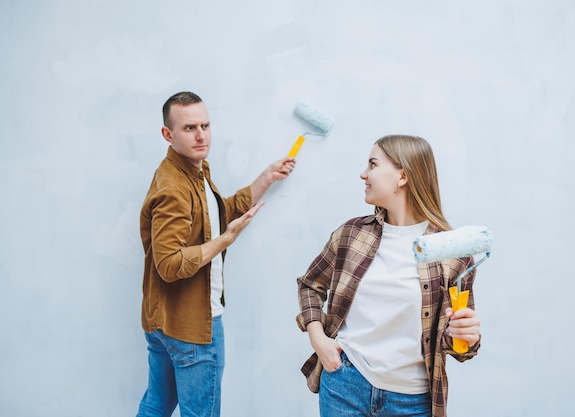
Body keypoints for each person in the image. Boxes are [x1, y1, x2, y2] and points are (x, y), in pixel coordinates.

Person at [296, 135, 481, 417]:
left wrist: (466, 336)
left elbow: (458, 348)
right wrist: (318, 339)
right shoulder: (351, 234)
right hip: (345, 386)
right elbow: (310, 284)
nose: (363, 174)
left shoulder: (452, 253)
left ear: (402, 176)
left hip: (411, 402)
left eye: (372, 164)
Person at [137, 91, 296, 417]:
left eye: (205, 125)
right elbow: (169, 265)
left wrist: (266, 177)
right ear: (168, 134)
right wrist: (226, 240)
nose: (201, 136)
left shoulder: (193, 171)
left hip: (164, 322)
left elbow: (218, 213)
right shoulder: (174, 187)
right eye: (189, 128)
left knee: (156, 406)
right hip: (190, 328)